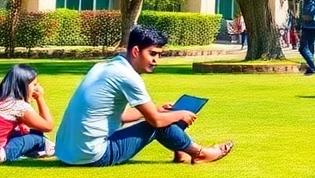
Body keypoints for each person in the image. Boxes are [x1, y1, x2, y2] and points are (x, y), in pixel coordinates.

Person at [56, 25, 232, 166]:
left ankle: (182, 153)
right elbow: (155, 122)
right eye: (152, 53)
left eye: (159, 55)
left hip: (68, 153)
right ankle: (200, 154)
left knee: (161, 115)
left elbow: (122, 116)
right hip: (92, 155)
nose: (156, 60)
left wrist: (156, 109)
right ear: (135, 52)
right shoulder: (128, 76)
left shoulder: (105, 67)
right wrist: (179, 114)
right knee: (159, 122)